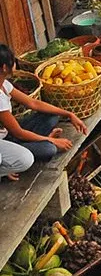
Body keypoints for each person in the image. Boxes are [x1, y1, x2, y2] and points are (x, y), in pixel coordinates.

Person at [0, 44, 85, 178]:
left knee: (52, 115)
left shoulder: (4, 84)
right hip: (5, 141)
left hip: (10, 134)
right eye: (12, 61)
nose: (15, 64)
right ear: (5, 67)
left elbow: (32, 103)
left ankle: (37, 141)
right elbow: (19, 133)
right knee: (48, 150)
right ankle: (4, 169)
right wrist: (52, 141)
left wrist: (69, 114)